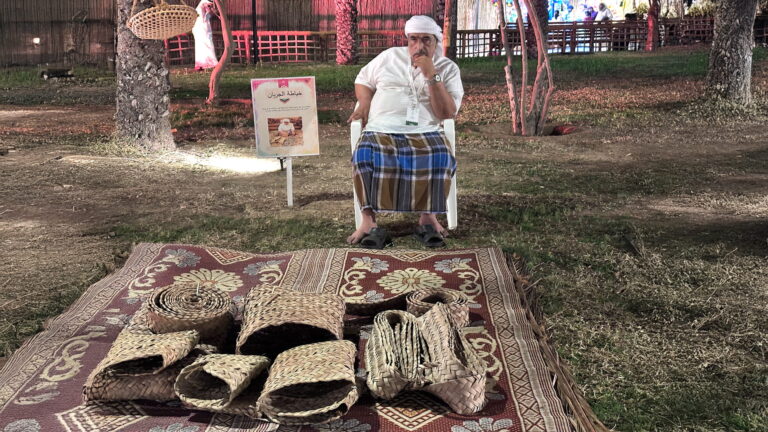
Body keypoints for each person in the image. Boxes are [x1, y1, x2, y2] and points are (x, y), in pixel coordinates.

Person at [346, 15, 463, 249]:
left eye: (426, 40)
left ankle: (427, 217)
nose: (419, 46)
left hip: (426, 130)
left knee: (440, 156)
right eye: (413, 39)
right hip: (380, 128)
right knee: (363, 157)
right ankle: (368, 222)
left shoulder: (447, 68)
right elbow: (363, 81)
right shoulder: (389, 57)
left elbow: (446, 112)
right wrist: (365, 103)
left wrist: (431, 74)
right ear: (407, 39)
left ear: (436, 41)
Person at [192, 0, 217, 71]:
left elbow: (206, 16)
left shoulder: (198, 7)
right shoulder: (204, 3)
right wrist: (212, 11)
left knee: (200, 46)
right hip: (202, 29)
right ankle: (212, 62)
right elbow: (206, 16)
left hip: (198, 29)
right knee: (208, 44)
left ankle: (200, 64)